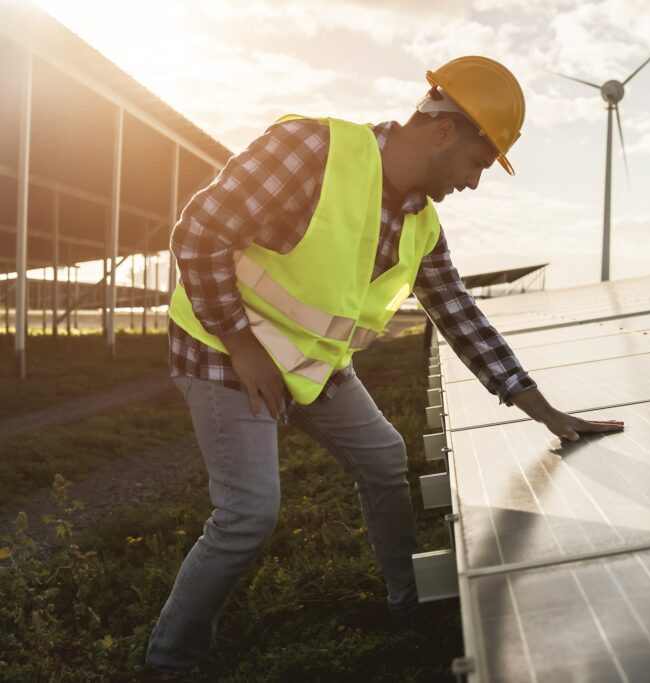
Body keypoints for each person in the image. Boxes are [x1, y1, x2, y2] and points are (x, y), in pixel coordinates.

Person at [145, 56, 624, 674]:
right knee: (248, 516)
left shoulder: (422, 225)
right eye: (479, 163)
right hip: (221, 347)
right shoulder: (311, 151)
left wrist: (545, 411)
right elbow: (198, 233)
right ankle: (169, 662)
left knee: (384, 455)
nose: (475, 183)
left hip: (309, 365)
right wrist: (241, 344)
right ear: (446, 131)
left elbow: (459, 315)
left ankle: (407, 600)